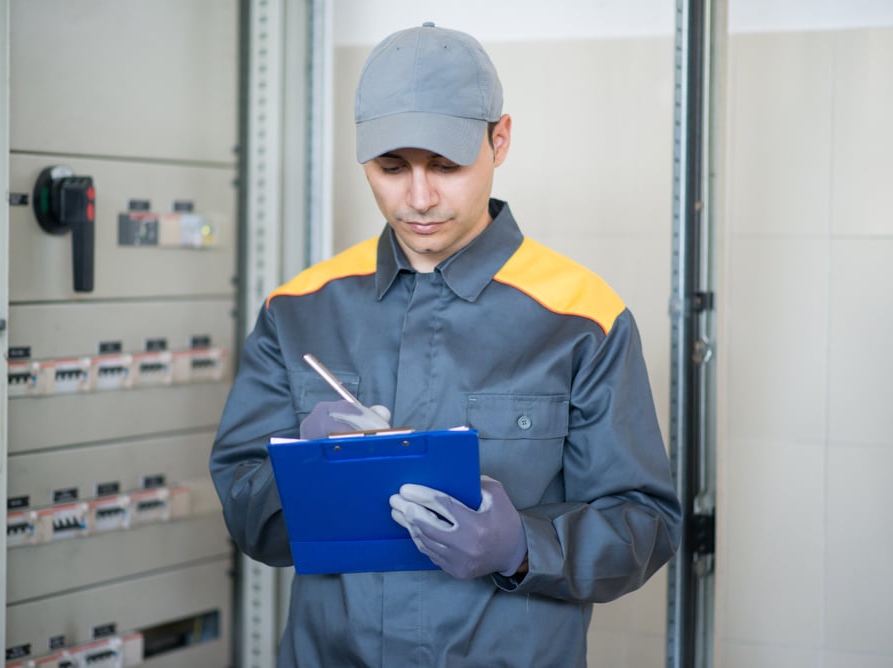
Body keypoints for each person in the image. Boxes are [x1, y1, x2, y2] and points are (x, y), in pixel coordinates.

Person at [210, 22, 682, 667]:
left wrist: (523, 546)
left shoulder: (580, 318)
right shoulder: (299, 310)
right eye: (392, 167)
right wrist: (302, 478)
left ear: (500, 140)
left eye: (447, 165)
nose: (420, 198)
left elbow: (646, 525)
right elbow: (246, 516)